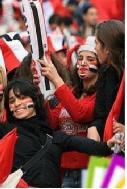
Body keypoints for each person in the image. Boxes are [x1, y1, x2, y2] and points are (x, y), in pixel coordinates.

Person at [38, 36, 100, 188]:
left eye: (90, 59)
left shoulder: (101, 95)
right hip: (67, 172)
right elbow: (52, 122)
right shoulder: (71, 93)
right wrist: (42, 95)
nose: (83, 63)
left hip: (93, 169)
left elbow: (80, 114)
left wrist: (57, 80)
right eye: (80, 58)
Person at [87, 20, 125, 141]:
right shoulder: (105, 72)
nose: (95, 48)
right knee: (96, 160)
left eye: (96, 43)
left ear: (107, 48)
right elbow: (100, 115)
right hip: (112, 147)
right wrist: (93, 127)